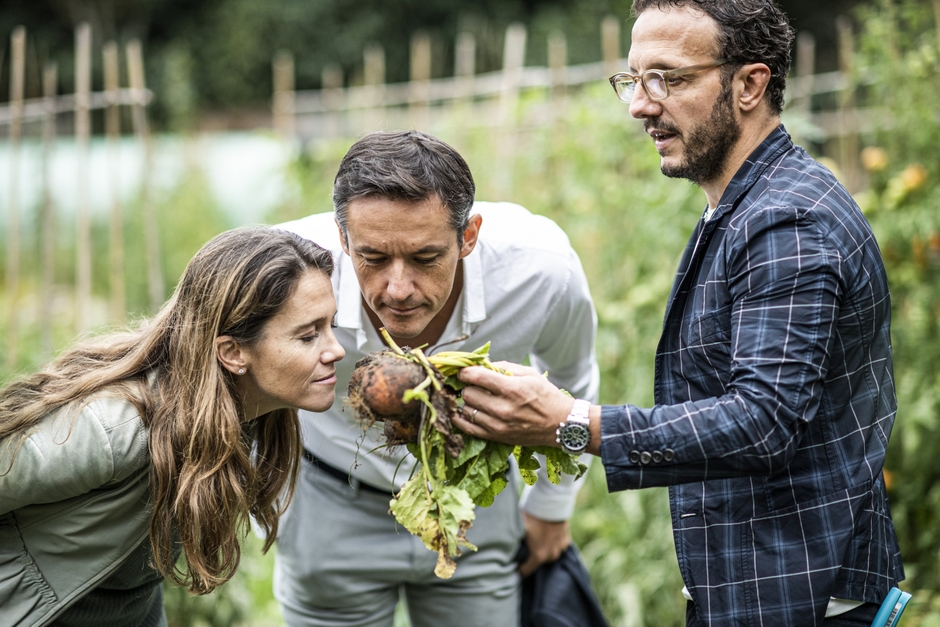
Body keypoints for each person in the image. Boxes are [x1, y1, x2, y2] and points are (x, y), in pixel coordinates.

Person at [454, 1, 905, 625]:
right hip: (763, 589)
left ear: (750, 84)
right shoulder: (748, 204)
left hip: (800, 596)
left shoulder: (786, 223)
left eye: (669, 78)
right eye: (633, 80)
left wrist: (573, 422)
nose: (640, 104)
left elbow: (763, 421)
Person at [274, 130, 599, 627]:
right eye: (373, 258)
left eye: (426, 258)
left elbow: (575, 376)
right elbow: (232, 378)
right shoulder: (285, 271)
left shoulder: (539, 270)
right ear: (342, 240)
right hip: (330, 502)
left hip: (474, 502)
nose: (399, 288)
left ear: (468, 236)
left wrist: (551, 508)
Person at [0, 226, 345, 627]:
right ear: (232, 352)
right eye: (308, 336)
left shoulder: (242, 416)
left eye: (331, 326)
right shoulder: (115, 430)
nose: (335, 349)